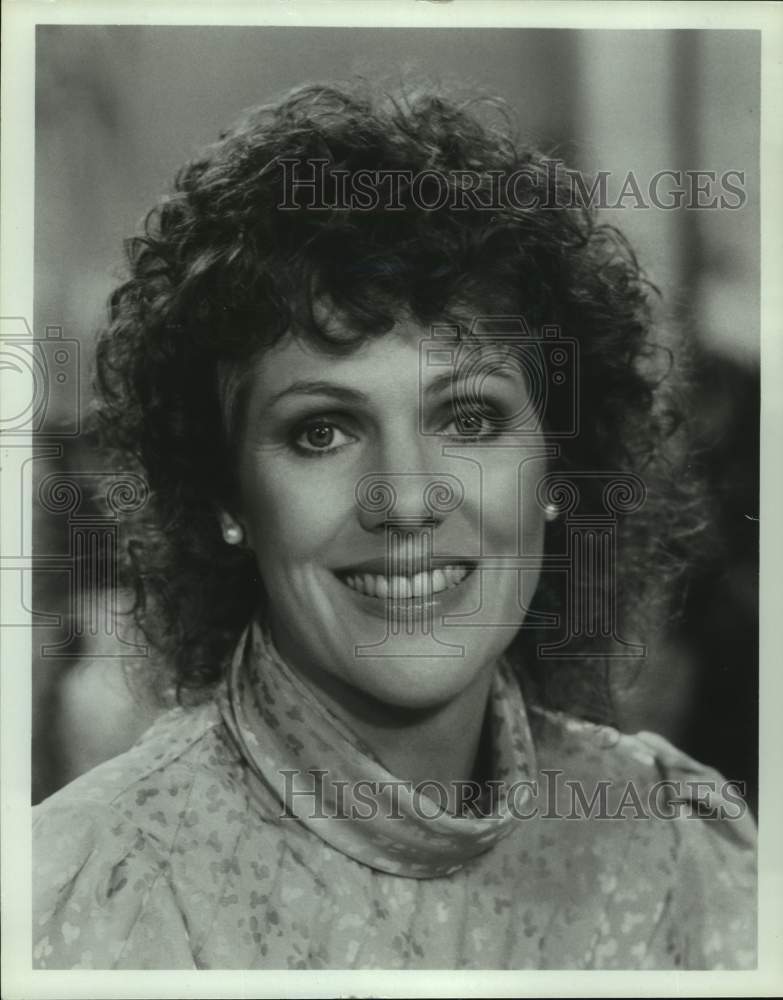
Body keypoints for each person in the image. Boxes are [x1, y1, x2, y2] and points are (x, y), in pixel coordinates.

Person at [32, 81, 756, 970]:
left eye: (469, 421)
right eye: (321, 431)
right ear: (224, 498)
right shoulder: (85, 893)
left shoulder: (676, 851)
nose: (406, 499)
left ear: (557, 470)